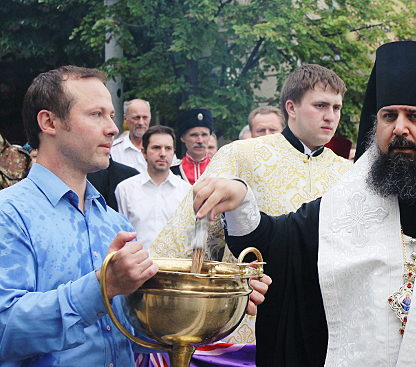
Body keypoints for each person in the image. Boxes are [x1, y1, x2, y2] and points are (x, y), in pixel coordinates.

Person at [190, 42, 416, 366]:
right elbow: (276, 247)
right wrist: (241, 201)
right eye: (389, 116)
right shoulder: (348, 198)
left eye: (415, 116)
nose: (399, 128)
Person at [0, 66, 268, 367]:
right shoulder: (9, 214)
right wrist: (102, 286)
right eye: (96, 114)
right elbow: (5, 328)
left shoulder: (113, 222)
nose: (113, 129)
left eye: (111, 115)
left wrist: (221, 300)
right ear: (49, 122)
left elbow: (134, 332)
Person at [150, 64, 352, 366]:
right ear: (291, 107)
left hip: (320, 331)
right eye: (320, 105)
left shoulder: (347, 173)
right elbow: (191, 234)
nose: (330, 116)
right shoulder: (241, 155)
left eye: (336, 107)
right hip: (245, 326)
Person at [115, 126, 191, 249]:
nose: (162, 154)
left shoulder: (186, 191)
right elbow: (121, 232)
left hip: (175, 261)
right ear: (144, 152)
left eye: (168, 148)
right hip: (137, 260)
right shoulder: (125, 189)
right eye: (156, 148)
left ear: (173, 152)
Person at [171, 108, 213, 186]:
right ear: (183, 138)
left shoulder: (220, 169)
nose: (200, 141)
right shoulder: (172, 171)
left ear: (210, 137)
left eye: (204, 135)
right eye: (194, 135)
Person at [111, 99, 152, 172]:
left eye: (145, 117)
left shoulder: (162, 149)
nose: (141, 122)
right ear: (125, 119)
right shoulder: (114, 150)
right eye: (136, 118)